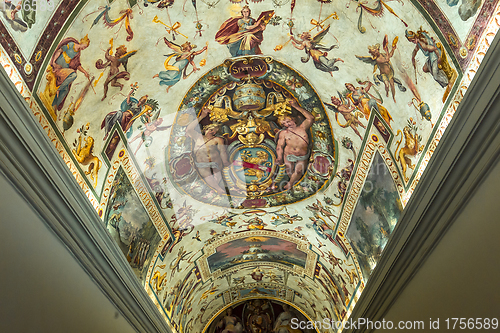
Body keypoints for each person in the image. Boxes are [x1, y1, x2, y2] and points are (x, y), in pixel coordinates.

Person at [405, 27, 457, 102]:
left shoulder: (422, 44)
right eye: (411, 41)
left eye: (413, 40)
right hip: (431, 56)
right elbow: (416, 49)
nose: (413, 42)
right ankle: (436, 71)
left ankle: (447, 82)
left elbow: (433, 48)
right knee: (424, 69)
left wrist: (439, 58)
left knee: (435, 76)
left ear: (415, 37)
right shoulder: (419, 40)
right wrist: (413, 57)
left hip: (435, 57)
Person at [186, 107, 229, 193]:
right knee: (208, 177)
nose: (212, 132)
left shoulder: (217, 139)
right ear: (205, 129)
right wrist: (201, 116)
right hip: (201, 164)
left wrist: (225, 162)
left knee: (217, 178)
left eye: (215, 132)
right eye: (211, 130)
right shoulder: (197, 137)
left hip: (216, 163)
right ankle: (218, 190)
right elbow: (189, 129)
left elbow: (222, 151)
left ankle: (217, 189)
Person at [275, 99, 314, 190]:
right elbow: (279, 146)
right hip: (288, 155)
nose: (287, 124)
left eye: (288, 122)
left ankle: (290, 184)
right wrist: (279, 157)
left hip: (302, 156)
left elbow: (311, 118)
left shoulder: (303, 127)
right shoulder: (284, 133)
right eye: (283, 123)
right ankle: (293, 184)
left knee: (299, 171)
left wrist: (296, 107)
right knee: (290, 172)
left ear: (294, 119)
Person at [356, 35, 406, 103]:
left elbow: (390, 55)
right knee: (387, 85)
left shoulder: (383, 54)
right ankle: (387, 92)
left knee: (392, 85)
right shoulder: (377, 59)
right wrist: (387, 49)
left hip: (389, 73)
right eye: (374, 52)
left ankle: (394, 97)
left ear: (378, 49)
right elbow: (387, 60)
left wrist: (393, 49)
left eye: (376, 50)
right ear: (373, 53)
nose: (376, 52)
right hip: (383, 75)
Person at [50, 35, 91, 112]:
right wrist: (54, 62)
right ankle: (59, 89)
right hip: (60, 64)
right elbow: (60, 50)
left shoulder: (78, 53)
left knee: (65, 90)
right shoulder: (72, 44)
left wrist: (85, 72)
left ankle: (54, 105)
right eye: (84, 46)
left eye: (85, 48)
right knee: (74, 75)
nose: (84, 48)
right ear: (82, 42)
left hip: (66, 68)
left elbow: (77, 65)